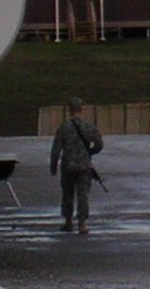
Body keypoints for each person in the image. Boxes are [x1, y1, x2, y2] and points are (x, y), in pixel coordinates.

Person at [49, 96, 104, 234]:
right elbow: (99, 144)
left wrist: (53, 166)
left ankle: (68, 222)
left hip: (68, 166)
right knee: (83, 195)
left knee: (67, 194)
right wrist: (90, 152)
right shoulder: (88, 126)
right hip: (84, 167)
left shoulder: (64, 127)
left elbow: (56, 149)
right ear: (81, 109)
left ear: (69, 110)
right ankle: (82, 224)